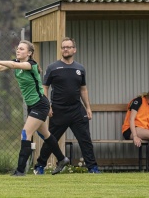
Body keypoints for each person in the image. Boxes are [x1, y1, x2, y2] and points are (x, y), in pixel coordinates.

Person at [0, 40, 69, 176]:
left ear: (29, 53)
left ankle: (20, 171)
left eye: (21, 49)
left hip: (40, 104)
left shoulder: (31, 64)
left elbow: (11, 64)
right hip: (33, 106)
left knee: (25, 133)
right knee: (45, 134)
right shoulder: (18, 64)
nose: (18, 51)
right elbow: (4, 67)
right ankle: (62, 159)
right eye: (17, 49)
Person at [33, 37, 100, 174]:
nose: (65, 49)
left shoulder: (80, 68)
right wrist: (48, 106)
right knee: (51, 139)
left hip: (77, 109)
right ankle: (40, 166)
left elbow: (83, 89)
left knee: (85, 139)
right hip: (58, 110)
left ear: (74, 50)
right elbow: (45, 87)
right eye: (63, 47)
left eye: (68, 47)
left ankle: (93, 168)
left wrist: (88, 108)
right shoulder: (53, 67)